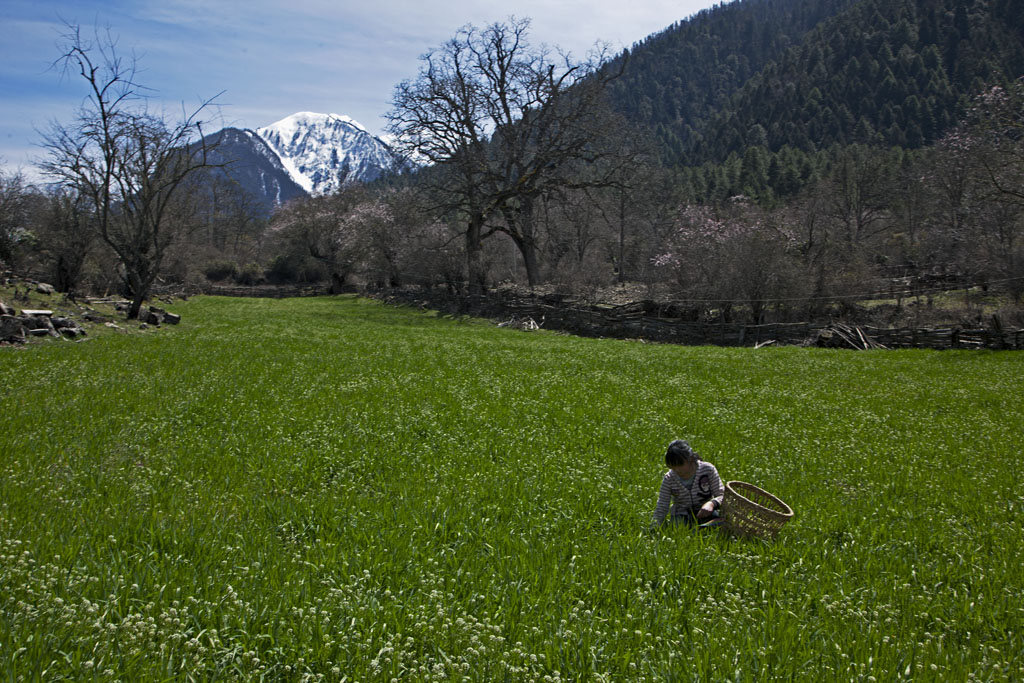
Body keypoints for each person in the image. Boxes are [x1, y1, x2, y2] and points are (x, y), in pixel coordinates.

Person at [650, 439, 725, 528]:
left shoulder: (708, 470)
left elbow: (722, 495)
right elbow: (662, 505)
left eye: (680, 465)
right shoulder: (669, 478)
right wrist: (654, 526)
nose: (677, 470)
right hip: (682, 515)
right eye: (673, 466)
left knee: (720, 524)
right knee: (680, 530)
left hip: (706, 512)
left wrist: (712, 503)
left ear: (690, 459)